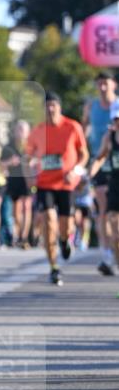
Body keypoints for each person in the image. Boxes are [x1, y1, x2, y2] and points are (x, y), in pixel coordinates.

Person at [26, 92, 88, 286]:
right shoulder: (37, 131)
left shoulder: (72, 127)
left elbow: (83, 154)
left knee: (65, 225)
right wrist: (31, 165)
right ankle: (54, 267)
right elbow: (28, 156)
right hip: (45, 183)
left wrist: (76, 170)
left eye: (53, 105)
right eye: (47, 106)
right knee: (48, 221)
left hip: (66, 183)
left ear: (59, 107)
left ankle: (64, 241)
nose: (50, 109)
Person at [83, 71, 118, 275]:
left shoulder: (117, 105)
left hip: (115, 163)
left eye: (106, 83)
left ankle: (113, 247)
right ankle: (107, 252)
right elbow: (83, 128)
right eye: (99, 84)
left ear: (113, 84)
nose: (102, 87)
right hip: (101, 159)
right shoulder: (91, 106)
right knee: (104, 209)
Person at [88, 103, 119, 270]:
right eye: (116, 118)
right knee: (115, 231)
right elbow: (100, 157)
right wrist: (90, 173)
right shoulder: (110, 136)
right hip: (115, 182)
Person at [0, 119, 34, 249]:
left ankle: (24, 237)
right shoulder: (8, 147)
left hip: (28, 179)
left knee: (27, 206)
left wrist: (31, 162)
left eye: (23, 130)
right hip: (14, 180)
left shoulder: (31, 146)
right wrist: (10, 162)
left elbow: (38, 159)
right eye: (18, 129)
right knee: (16, 210)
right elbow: (1, 165)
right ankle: (19, 234)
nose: (20, 132)